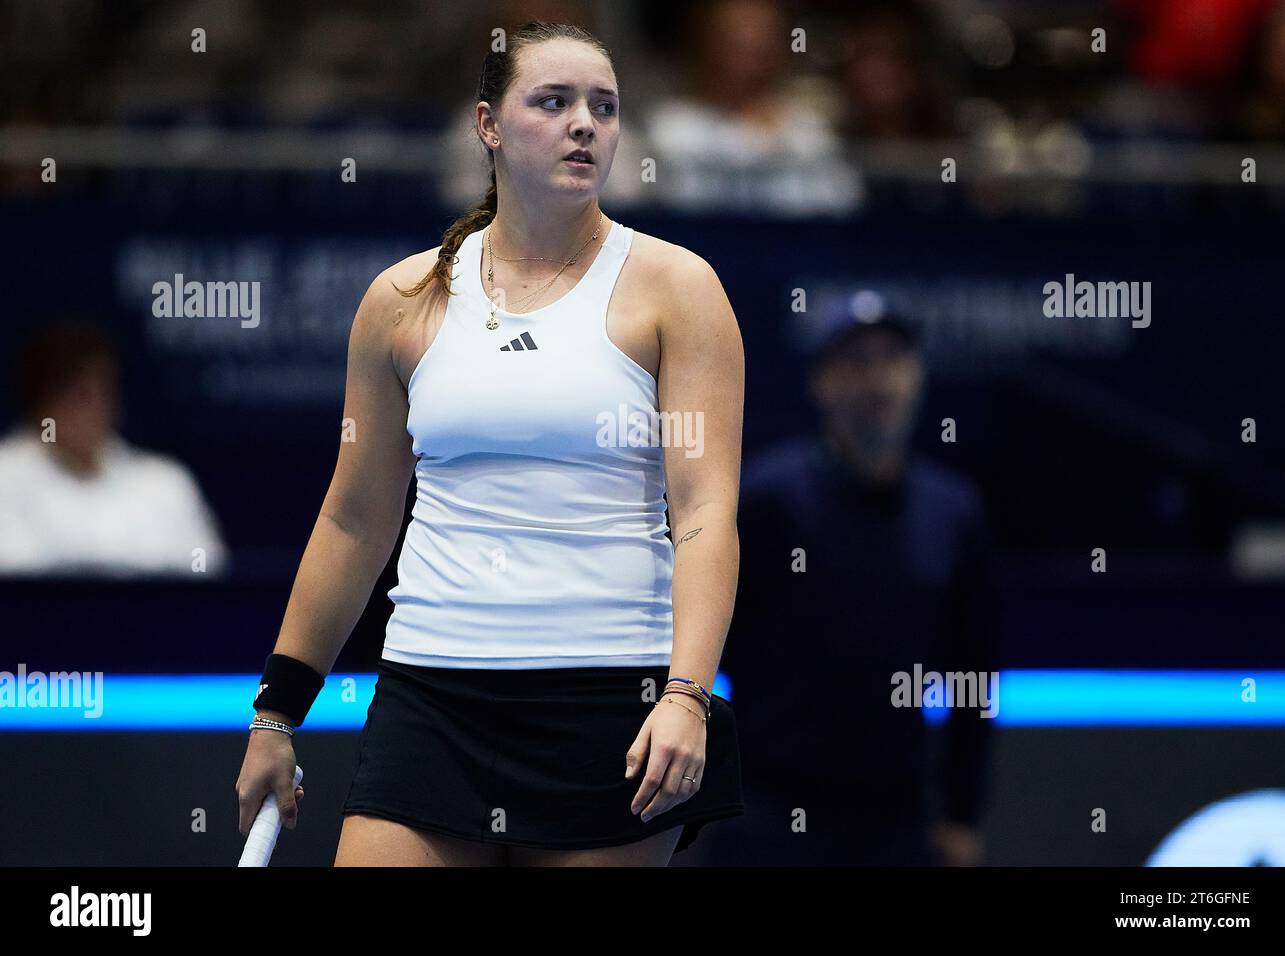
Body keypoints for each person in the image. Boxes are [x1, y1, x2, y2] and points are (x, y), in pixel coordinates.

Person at [234, 20, 747, 867]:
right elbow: (355, 521)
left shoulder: (678, 289)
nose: (586, 123)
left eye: (605, 107)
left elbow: (703, 510)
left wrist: (687, 695)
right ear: (489, 126)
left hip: (613, 702)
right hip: (431, 697)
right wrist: (275, 714)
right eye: (554, 101)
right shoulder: (402, 299)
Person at [699, 295, 997, 865]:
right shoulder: (766, 499)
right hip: (770, 813)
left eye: (893, 361)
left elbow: (974, 674)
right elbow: (701, 645)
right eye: (857, 363)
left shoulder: (954, 513)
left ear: (917, 378)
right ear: (822, 383)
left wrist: (962, 814)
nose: (878, 381)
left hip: (898, 818)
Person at [0, 320, 228, 577]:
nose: (91, 409)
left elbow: (206, 579)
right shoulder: (5, 476)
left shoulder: (166, 483)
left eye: (102, 392)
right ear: (40, 402)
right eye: (77, 394)